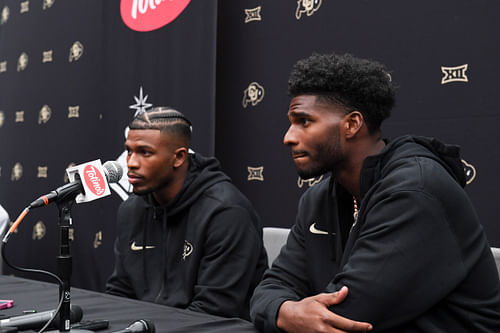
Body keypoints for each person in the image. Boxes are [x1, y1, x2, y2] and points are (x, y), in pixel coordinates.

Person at [250, 52, 500, 332]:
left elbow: (349, 317)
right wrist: (284, 311)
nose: (289, 137)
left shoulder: (415, 192)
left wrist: (284, 313)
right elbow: (270, 288)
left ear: (352, 124)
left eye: (304, 121)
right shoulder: (319, 199)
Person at [106, 106, 268, 320]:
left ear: (179, 157)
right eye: (129, 151)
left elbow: (213, 312)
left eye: (145, 152)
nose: (131, 163)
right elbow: (120, 293)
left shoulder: (226, 212)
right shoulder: (132, 210)